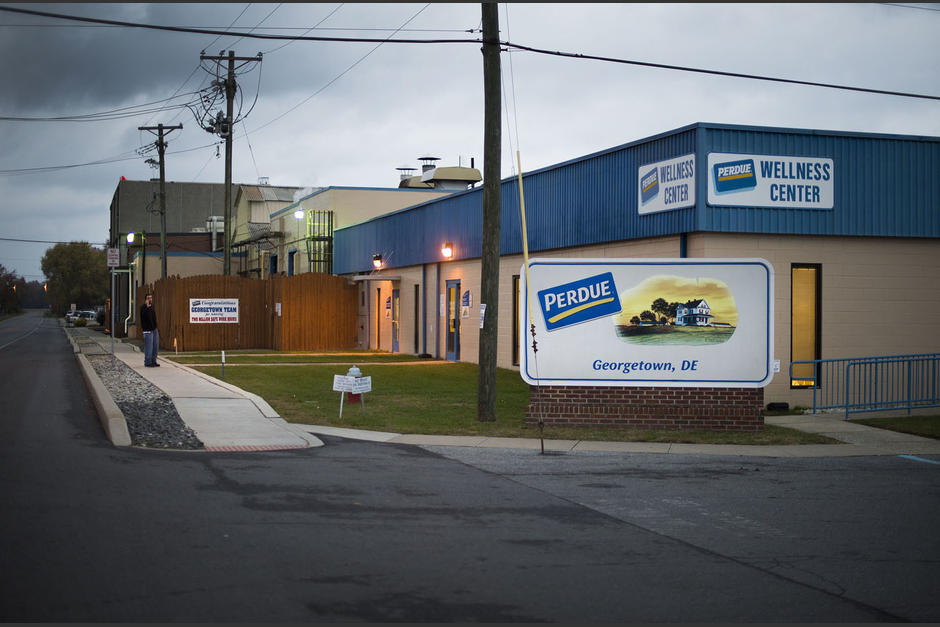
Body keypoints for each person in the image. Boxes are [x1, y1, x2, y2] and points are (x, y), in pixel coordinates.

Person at [140, 293, 160, 367]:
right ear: (145, 299)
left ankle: (153, 361)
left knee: (155, 346)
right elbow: (145, 317)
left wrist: (155, 327)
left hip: (154, 329)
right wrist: (147, 307)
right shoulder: (143, 308)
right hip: (148, 330)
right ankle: (148, 362)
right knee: (149, 347)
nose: (150, 299)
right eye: (148, 298)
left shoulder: (152, 307)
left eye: (151, 298)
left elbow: (154, 317)